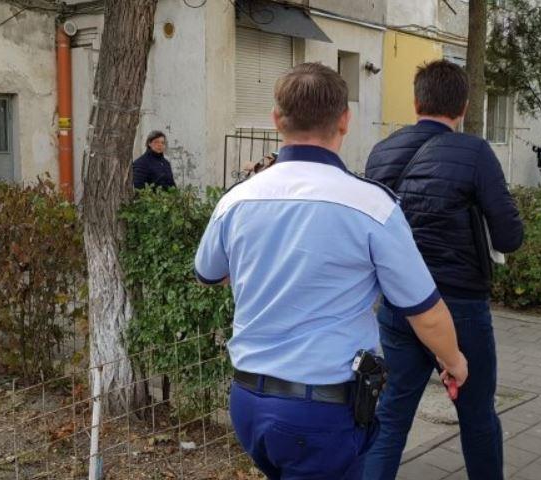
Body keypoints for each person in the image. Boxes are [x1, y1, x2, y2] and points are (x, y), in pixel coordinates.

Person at [194, 62, 469, 480]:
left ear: (276, 119)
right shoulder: (372, 206)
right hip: (323, 413)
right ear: (345, 120)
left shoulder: (236, 200)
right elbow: (425, 312)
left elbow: (209, 273)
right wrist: (454, 361)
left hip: (249, 402)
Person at [363, 60, 524, 480]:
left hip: (399, 305)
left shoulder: (381, 153)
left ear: (416, 102)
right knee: (477, 415)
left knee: (391, 415)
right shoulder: (475, 153)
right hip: (459, 306)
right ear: (464, 107)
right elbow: (509, 236)